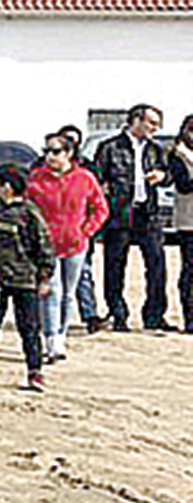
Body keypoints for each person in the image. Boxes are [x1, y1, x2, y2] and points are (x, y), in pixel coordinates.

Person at [0, 164, 55, 390]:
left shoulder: (28, 213)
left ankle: (34, 372)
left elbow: (43, 246)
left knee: (29, 328)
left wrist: (45, 277)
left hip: (24, 279)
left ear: (7, 186)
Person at [26, 132, 108, 361]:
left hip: (75, 245)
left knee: (69, 293)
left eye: (56, 151)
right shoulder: (35, 178)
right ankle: (50, 338)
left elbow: (100, 208)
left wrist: (86, 231)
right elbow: (27, 209)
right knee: (51, 291)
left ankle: (61, 334)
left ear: (69, 153)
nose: (50, 156)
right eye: (46, 151)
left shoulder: (85, 178)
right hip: (46, 246)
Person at [91, 104, 170, 333]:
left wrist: (162, 176)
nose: (155, 128)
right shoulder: (110, 147)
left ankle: (154, 315)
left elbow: (168, 175)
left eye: (157, 124)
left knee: (157, 266)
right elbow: (97, 178)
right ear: (136, 120)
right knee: (115, 267)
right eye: (151, 123)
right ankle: (118, 314)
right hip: (120, 213)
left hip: (148, 212)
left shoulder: (155, 149)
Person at [168, 115, 193, 332]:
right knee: (190, 272)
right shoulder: (178, 154)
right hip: (189, 221)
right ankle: (190, 318)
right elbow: (184, 185)